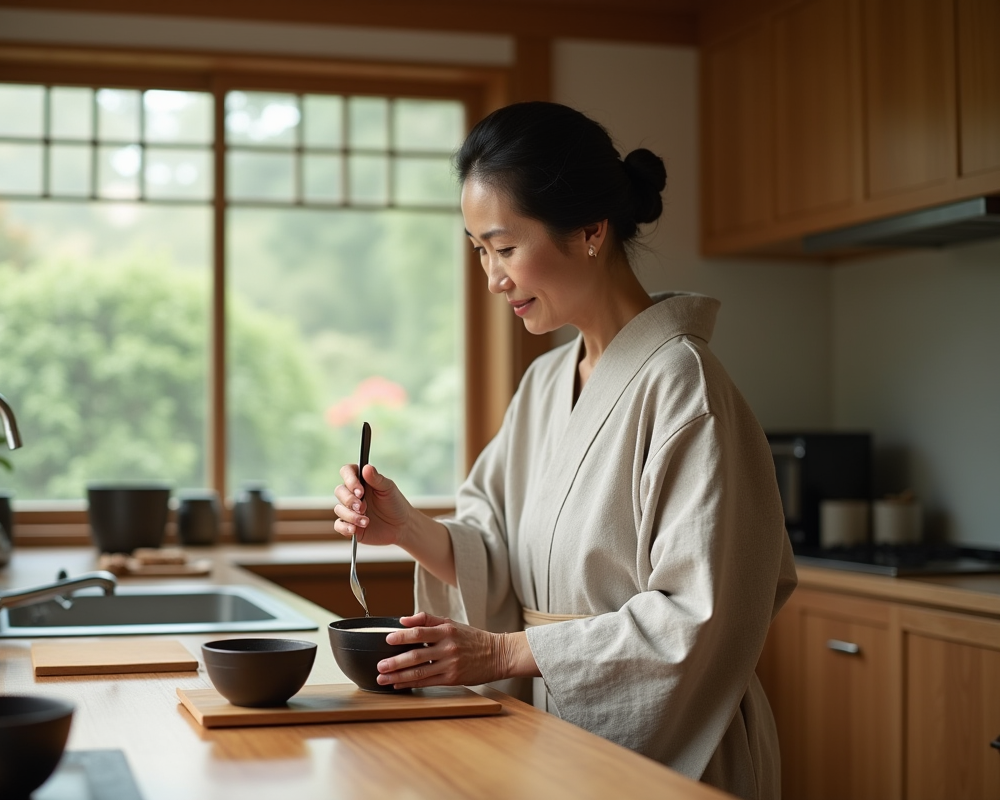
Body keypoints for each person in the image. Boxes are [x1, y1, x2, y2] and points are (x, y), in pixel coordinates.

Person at [332, 101, 796, 800]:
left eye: (505, 247)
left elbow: (696, 617)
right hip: (552, 739)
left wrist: (505, 651)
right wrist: (409, 530)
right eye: (479, 251)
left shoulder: (682, 385)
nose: (492, 278)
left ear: (589, 231)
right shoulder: (547, 380)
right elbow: (501, 542)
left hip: (676, 753)